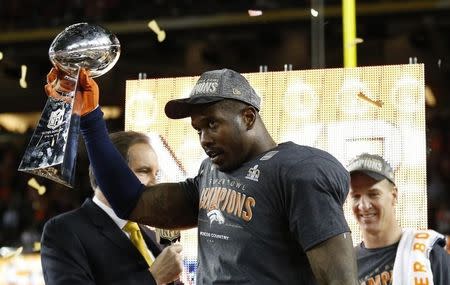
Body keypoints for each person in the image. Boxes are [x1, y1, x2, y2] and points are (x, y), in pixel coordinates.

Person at [45, 67, 358, 284]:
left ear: (247, 118)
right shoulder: (211, 172)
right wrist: (90, 118)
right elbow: (131, 202)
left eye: (212, 124)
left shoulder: (299, 170)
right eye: (198, 129)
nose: (204, 139)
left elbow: (340, 280)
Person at [40, 130, 184, 285]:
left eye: (156, 174)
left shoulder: (150, 232)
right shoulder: (64, 230)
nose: (154, 183)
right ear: (108, 175)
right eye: (144, 171)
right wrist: (153, 278)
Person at [348, 153, 450, 285]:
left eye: (373, 194)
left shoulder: (427, 252)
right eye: (356, 196)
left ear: (394, 195)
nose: (363, 205)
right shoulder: (347, 265)